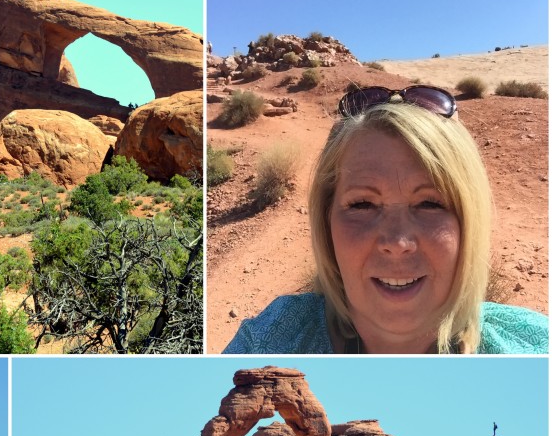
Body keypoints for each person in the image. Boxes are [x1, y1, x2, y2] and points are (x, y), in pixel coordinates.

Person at [223, 86, 549, 354]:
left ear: (468, 221)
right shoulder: (268, 344)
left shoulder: (535, 346)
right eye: (363, 204)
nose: (397, 242)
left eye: (430, 204)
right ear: (326, 222)